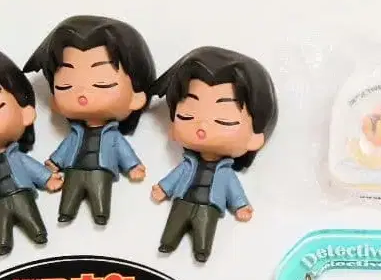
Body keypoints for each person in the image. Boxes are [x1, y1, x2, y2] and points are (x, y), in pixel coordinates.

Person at [149, 47, 278, 263]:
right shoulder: (188, 164)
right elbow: (175, 176)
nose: (202, 126)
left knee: (204, 228)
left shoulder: (225, 173)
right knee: (175, 223)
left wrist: (240, 205)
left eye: (224, 121)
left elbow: (234, 189)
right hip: (183, 199)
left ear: (255, 138)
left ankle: (202, 250)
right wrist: (163, 188)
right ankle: (167, 242)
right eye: (187, 116)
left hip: (210, 205)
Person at [24, 16, 155, 225]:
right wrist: (54, 162)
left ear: (137, 97)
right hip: (74, 168)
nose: (82, 94)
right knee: (70, 193)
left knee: (99, 193)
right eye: (66, 85)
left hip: (101, 169)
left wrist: (133, 166)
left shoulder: (113, 136)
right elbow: (66, 148)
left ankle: (100, 212)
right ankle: (66, 212)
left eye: (102, 84)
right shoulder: (75, 134)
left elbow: (123, 151)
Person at [0, 52, 63, 254]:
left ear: (25, 112)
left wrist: (47, 178)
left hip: (20, 191)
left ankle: (37, 232)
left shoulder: (15, 155)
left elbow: (30, 166)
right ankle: (3, 242)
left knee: (28, 213)